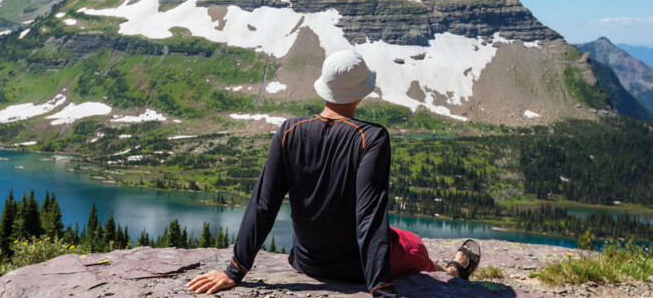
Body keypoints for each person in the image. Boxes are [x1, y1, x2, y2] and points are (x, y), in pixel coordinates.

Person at [186, 51, 481, 297]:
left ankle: (451, 269)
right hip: (357, 270)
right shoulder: (372, 137)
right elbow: (370, 216)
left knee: (400, 239)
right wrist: (381, 289)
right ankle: (454, 271)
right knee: (413, 244)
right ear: (361, 92)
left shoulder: (289, 130)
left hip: (305, 262)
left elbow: (263, 204)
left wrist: (235, 271)